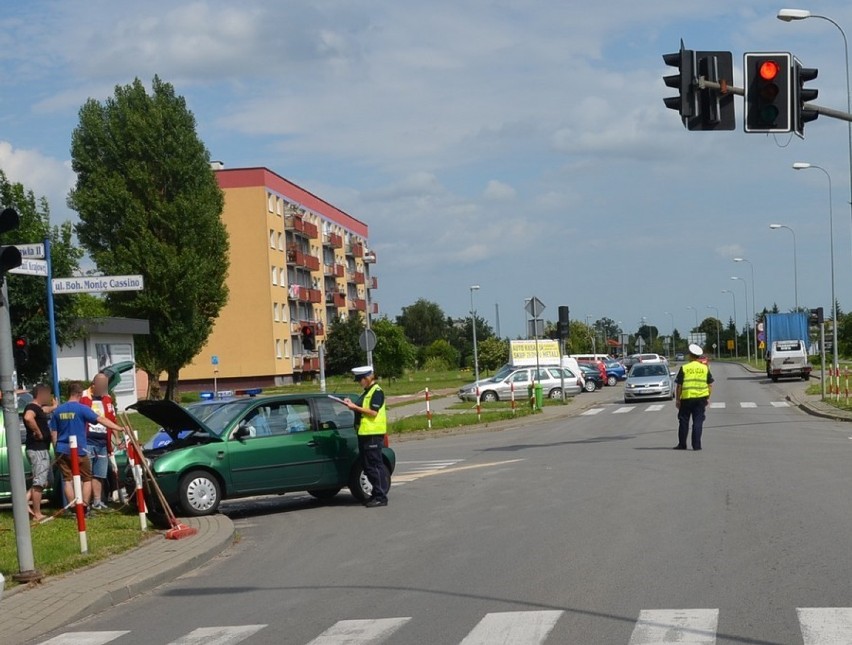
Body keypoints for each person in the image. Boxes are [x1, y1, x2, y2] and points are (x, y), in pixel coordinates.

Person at [50, 382, 124, 516]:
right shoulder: (82, 408)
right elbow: (100, 419)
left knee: (67, 479)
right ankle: (83, 507)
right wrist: (117, 428)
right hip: (79, 450)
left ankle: (73, 507)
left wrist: (56, 450)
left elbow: (54, 433)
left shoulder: (58, 410)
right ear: (79, 394)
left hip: (61, 449)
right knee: (87, 478)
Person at [343, 366, 389, 508]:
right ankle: (376, 494)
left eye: (361, 379)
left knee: (374, 466)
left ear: (368, 377)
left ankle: (381, 497)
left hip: (373, 435)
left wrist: (354, 407)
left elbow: (373, 413)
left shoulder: (377, 392)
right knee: (368, 466)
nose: (360, 382)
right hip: (365, 434)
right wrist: (350, 404)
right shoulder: (367, 392)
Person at [80, 373, 117, 509]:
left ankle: (97, 501)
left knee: (99, 473)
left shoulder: (107, 398)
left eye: (106, 386)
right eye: (102, 385)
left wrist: (116, 437)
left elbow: (112, 419)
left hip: (103, 442)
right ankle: (85, 503)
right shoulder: (83, 397)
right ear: (94, 384)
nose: (104, 388)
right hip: (88, 440)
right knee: (87, 474)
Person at [24, 384, 56, 521]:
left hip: (42, 450)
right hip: (37, 449)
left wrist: (55, 407)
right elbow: (28, 417)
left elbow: (46, 410)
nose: (49, 397)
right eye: (47, 394)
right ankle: (37, 514)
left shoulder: (39, 408)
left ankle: (23, 502)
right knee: (39, 482)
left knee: (44, 481)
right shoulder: (32, 408)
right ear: (40, 394)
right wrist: (38, 432)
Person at [674, 343, 714, 451]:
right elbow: (710, 385)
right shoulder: (704, 368)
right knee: (698, 421)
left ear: (690, 355)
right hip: (701, 399)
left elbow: (679, 385)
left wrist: (678, 399)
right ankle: (696, 445)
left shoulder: (684, 368)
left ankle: (682, 444)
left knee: (683, 421)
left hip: (686, 398)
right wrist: (708, 397)